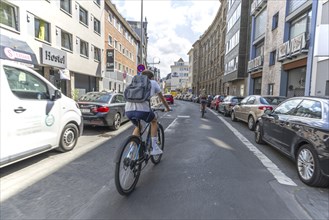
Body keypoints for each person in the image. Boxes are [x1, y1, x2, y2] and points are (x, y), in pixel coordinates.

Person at [125, 70, 171, 155]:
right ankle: (155, 147)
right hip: (143, 110)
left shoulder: (135, 81)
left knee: (138, 127)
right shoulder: (153, 82)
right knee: (154, 121)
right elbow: (162, 99)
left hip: (128, 110)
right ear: (152, 77)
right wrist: (167, 108)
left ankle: (130, 152)